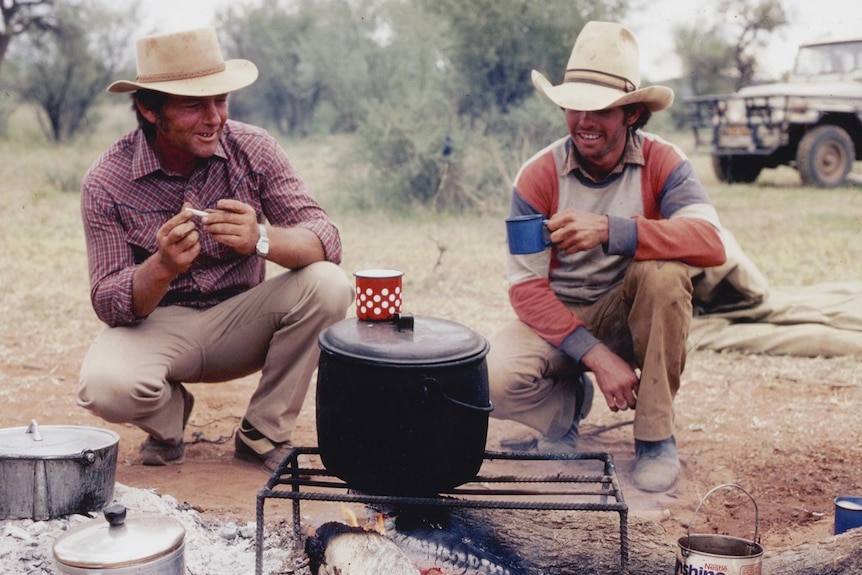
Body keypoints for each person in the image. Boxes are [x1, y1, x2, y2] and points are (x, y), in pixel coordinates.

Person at [77, 27, 354, 473]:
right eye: (193, 105)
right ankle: (168, 423)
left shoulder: (255, 148)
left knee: (329, 284)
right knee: (103, 385)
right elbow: (109, 302)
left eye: (220, 100)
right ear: (150, 109)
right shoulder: (107, 180)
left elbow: (326, 236)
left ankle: (262, 433)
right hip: (161, 326)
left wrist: (262, 239)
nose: (214, 118)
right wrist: (162, 266)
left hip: (244, 319)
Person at [487, 21, 726, 492]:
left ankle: (655, 437)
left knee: (663, 275)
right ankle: (564, 412)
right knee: (490, 377)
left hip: (626, 312)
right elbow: (526, 288)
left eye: (600, 110)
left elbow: (710, 242)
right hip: (558, 316)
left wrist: (610, 231)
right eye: (573, 107)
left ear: (633, 114)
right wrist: (595, 357)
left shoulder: (663, 161)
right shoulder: (538, 175)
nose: (584, 122)